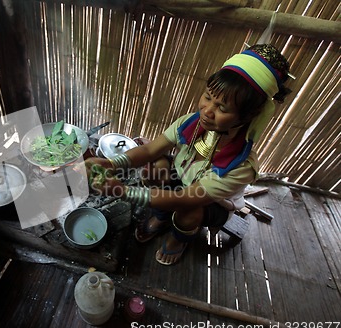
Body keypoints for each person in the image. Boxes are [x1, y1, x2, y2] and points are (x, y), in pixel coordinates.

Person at [85, 44, 291, 266]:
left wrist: (121, 190)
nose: (207, 110)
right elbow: (149, 150)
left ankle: (178, 240)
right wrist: (112, 164)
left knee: (187, 212)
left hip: (212, 204)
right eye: (208, 96)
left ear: (248, 116)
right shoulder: (189, 123)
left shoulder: (239, 167)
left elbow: (185, 198)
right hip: (182, 180)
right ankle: (162, 217)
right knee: (155, 168)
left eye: (222, 108)